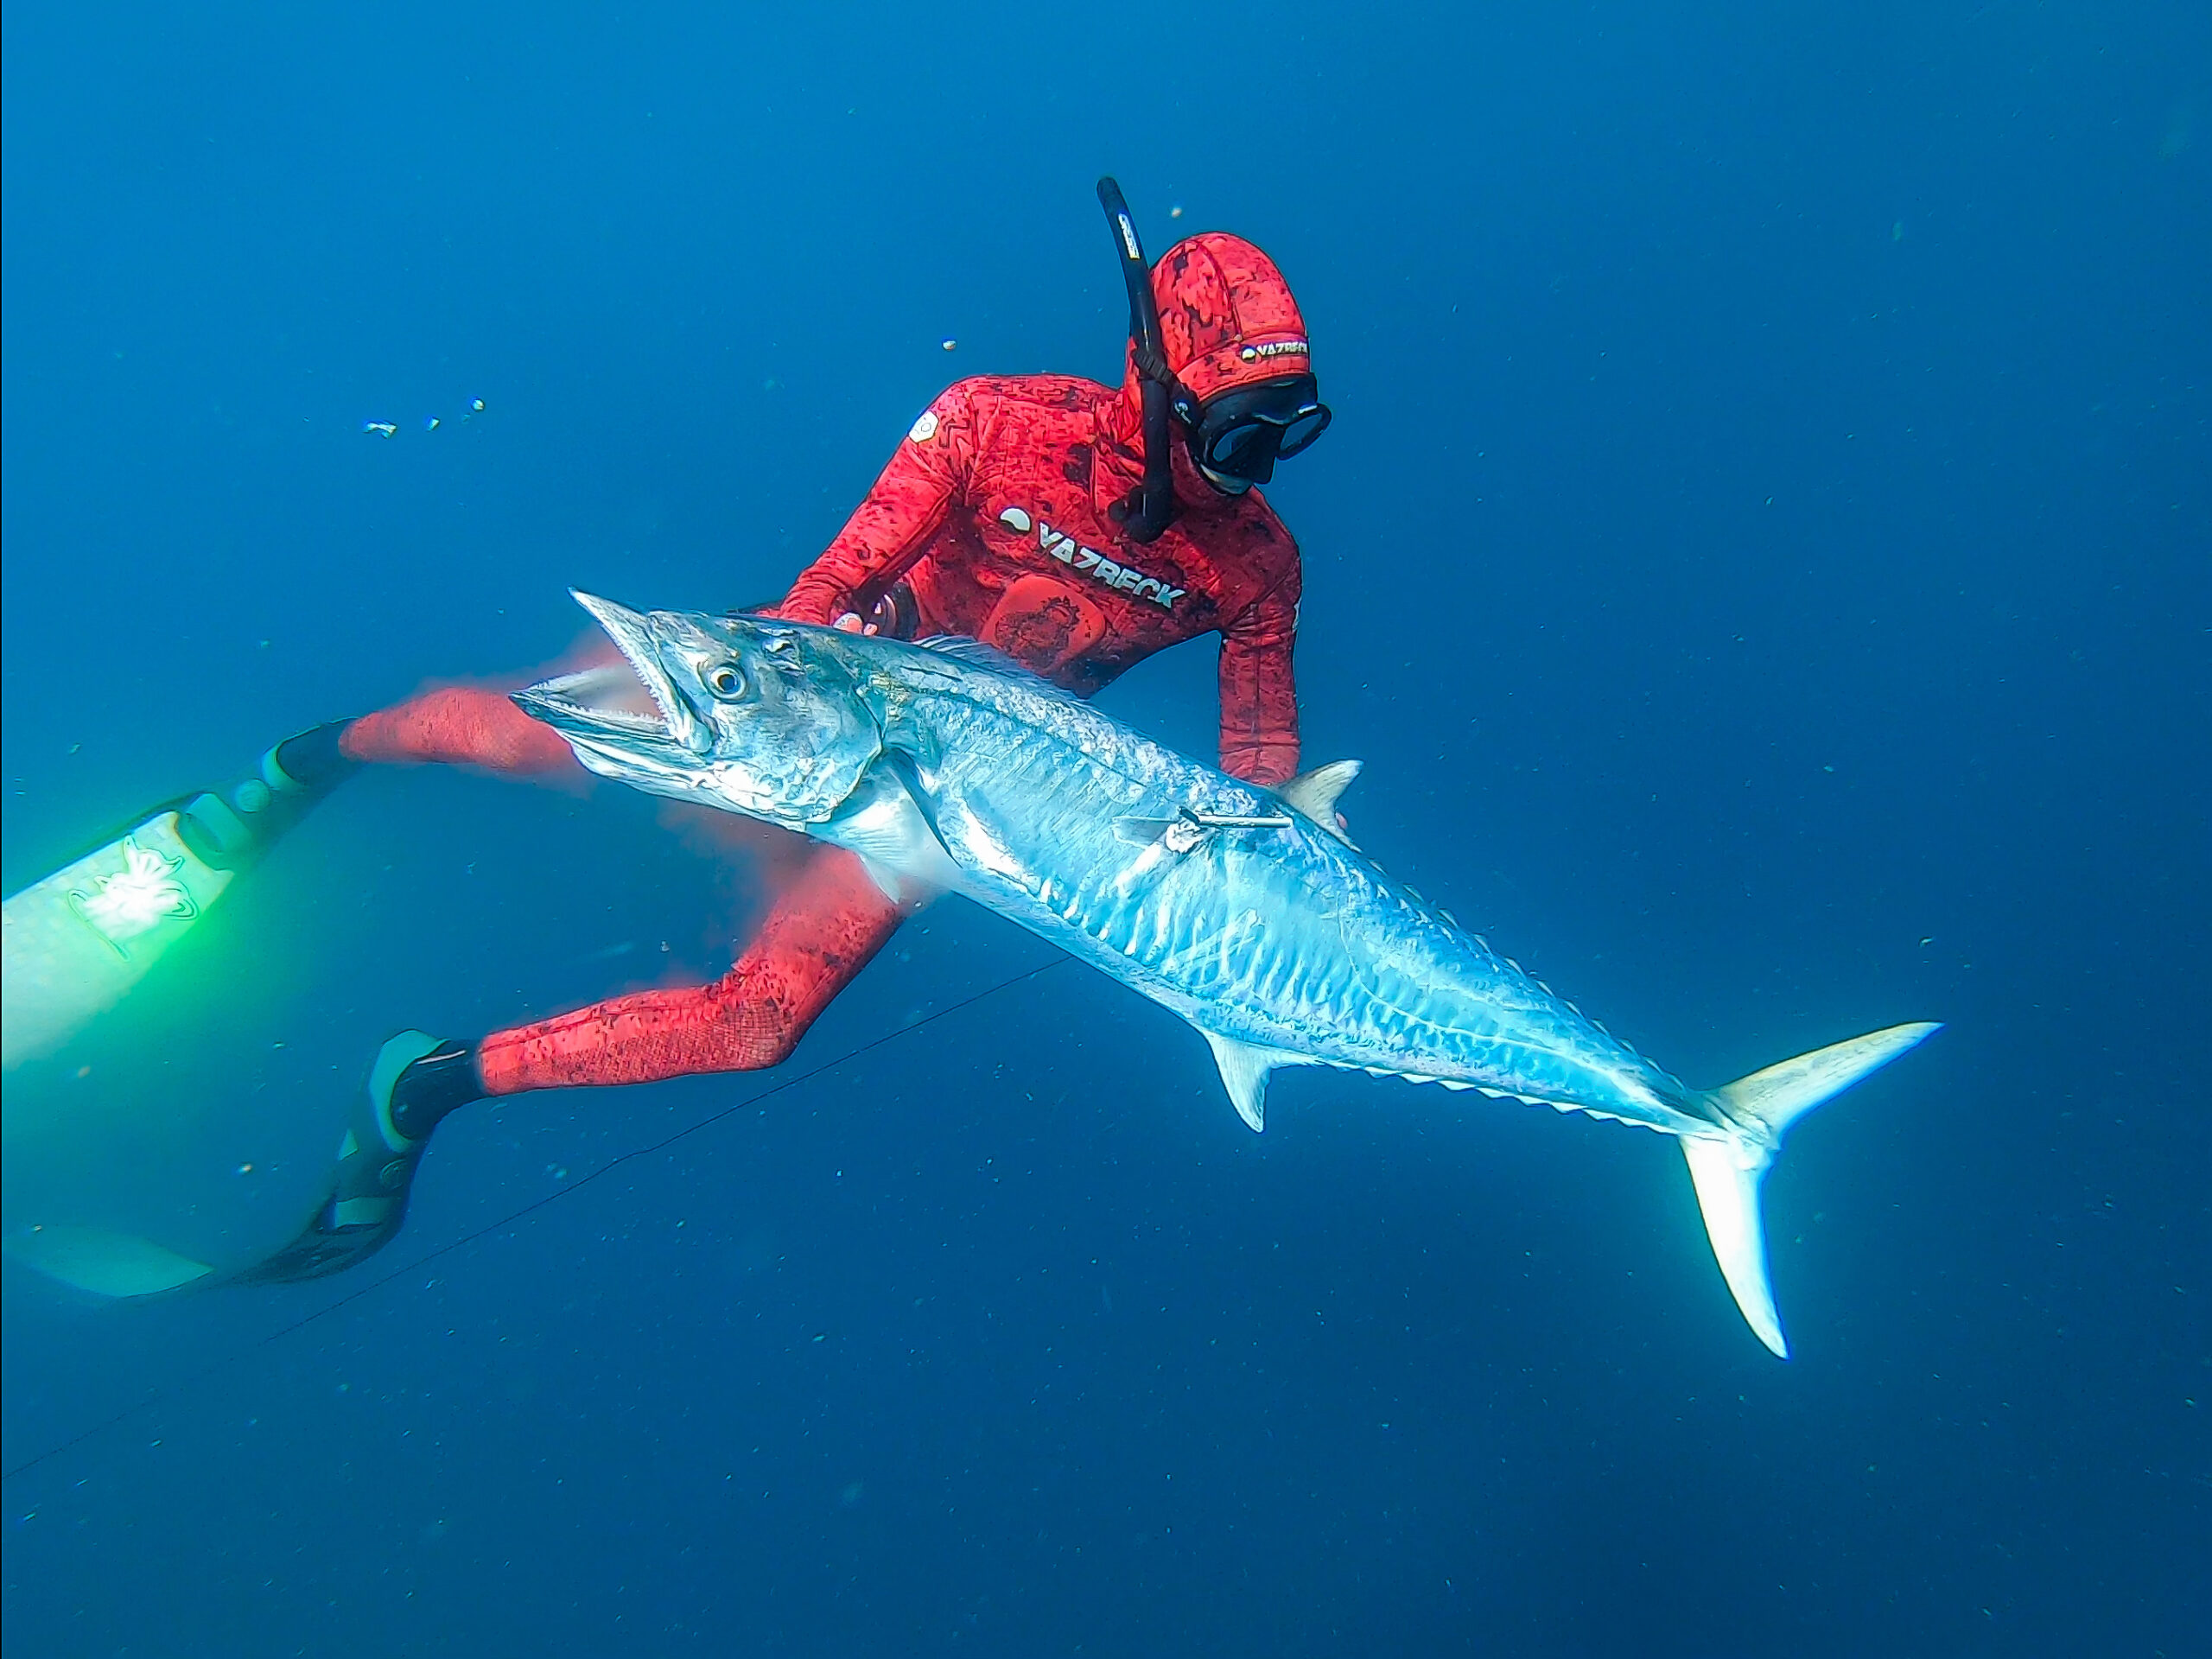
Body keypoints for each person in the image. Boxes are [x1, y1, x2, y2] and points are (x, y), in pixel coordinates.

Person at [229, 181, 1337, 1283]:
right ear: (1155, 377)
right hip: (798, 704)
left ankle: (422, 1086)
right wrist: (796, 689)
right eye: (1238, 433)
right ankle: (309, 761)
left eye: (1287, 436)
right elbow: (826, 593)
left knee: (759, 1026)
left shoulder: (1255, 564)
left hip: (961, 802)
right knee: (525, 734)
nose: (1255, 468)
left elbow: (1258, 774)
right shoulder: (996, 423)